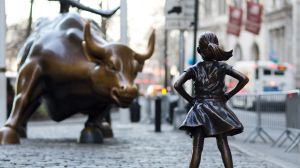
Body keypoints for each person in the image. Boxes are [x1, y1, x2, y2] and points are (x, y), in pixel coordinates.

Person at [174, 32, 249, 168]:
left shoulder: (194, 69)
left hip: (199, 110)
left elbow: (177, 85)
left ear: (198, 51)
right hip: (219, 109)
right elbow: (244, 79)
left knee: (197, 148)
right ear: (216, 48)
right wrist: (228, 95)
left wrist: (191, 100)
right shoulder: (222, 67)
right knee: (223, 144)